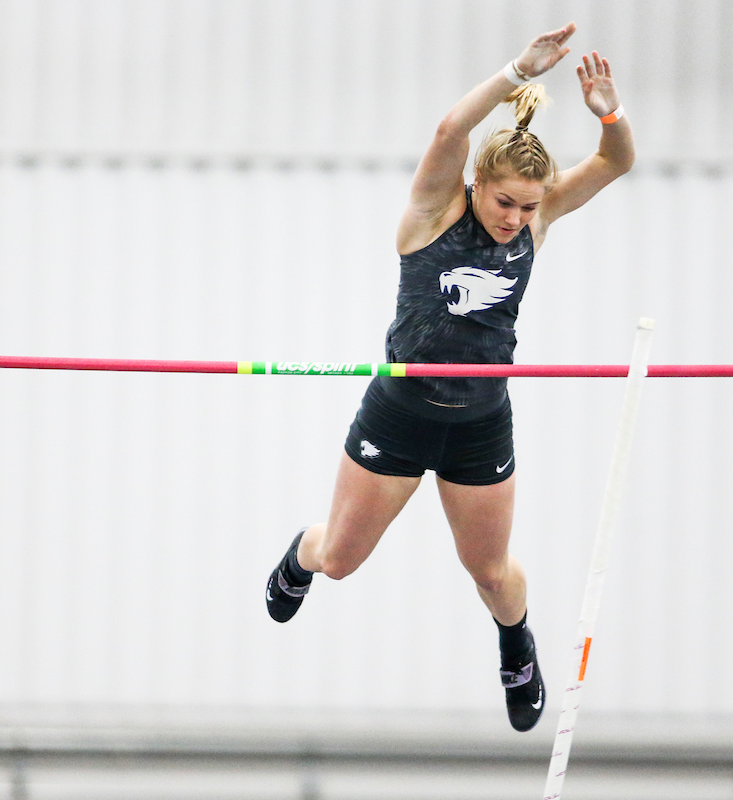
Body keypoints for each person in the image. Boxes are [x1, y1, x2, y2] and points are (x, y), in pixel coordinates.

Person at [264, 22, 634, 732]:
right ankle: (299, 557)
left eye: (528, 207)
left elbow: (615, 162)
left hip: (479, 422)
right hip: (399, 413)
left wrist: (609, 114)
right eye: (505, 204)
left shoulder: (536, 219)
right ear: (478, 186)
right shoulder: (437, 211)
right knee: (340, 559)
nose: (515, 219)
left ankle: (516, 643)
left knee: (492, 575)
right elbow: (447, 129)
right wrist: (515, 72)